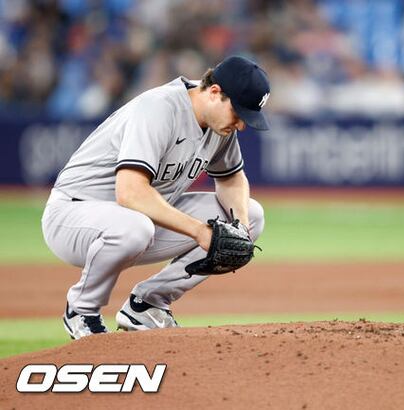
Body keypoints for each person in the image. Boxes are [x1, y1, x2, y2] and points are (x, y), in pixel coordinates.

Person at [41, 55, 269, 339]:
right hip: (73, 215)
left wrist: (241, 227)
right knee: (135, 227)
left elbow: (231, 179)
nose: (241, 125)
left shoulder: (218, 123)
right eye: (238, 113)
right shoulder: (159, 109)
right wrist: (199, 231)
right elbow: (130, 193)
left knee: (251, 217)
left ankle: (147, 304)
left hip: (139, 219)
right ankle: (82, 309)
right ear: (214, 92)